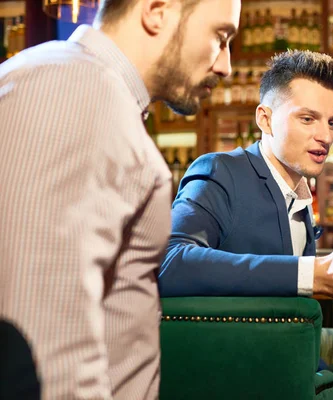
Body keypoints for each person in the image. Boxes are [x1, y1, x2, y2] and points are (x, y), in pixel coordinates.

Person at [0, 0, 241, 398]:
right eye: (220, 37)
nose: (225, 65)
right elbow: (43, 349)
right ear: (157, 11)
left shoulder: (89, 89)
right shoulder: (76, 92)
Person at [158, 50, 333, 305]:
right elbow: (168, 263)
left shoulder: (299, 196)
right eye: (307, 119)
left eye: (332, 123)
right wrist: (316, 274)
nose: (325, 137)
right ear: (265, 120)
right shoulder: (220, 171)